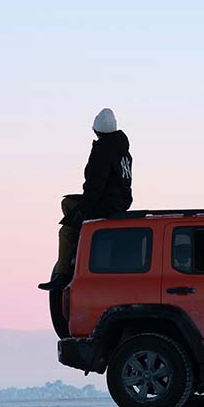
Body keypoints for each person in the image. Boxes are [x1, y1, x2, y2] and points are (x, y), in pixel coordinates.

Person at [38, 108, 133, 290]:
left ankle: (62, 274)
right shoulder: (124, 152)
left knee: (66, 230)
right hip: (120, 203)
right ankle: (79, 236)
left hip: (105, 205)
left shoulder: (102, 151)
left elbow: (95, 184)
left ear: (96, 131)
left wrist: (83, 211)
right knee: (68, 202)